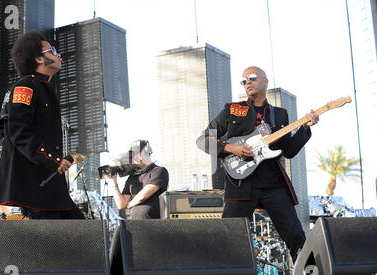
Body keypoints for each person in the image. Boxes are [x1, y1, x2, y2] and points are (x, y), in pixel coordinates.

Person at [196, 66, 319, 262]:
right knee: (230, 236)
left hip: (274, 184)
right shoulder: (233, 109)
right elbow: (203, 140)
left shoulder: (279, 114)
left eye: (252, 78)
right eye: (243, 80)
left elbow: (289, 151)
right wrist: (231, 148)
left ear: (265, 82)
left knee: (296, 235)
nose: (247, 82)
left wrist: (304, 128)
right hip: (240, 182)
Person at [0, 30, 83, 220]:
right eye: (52, 51)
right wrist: (53, 159)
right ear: (38, 59)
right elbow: (17, 131)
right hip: (36, 187)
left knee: (85, 236)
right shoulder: (26, 87)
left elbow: (2, 130)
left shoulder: (40, 88)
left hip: (48, 186)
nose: (58, 55)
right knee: (60, 244)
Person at [111, 140, 169, 219]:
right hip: (135, 224)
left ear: (146, 151)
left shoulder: (159, 171)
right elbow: (121, 205)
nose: (134, 157)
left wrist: (129, 205)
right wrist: (114, 182)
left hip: (154, 223)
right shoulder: (132, 177)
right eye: (132, 154)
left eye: (137, 153)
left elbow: (144, 195)